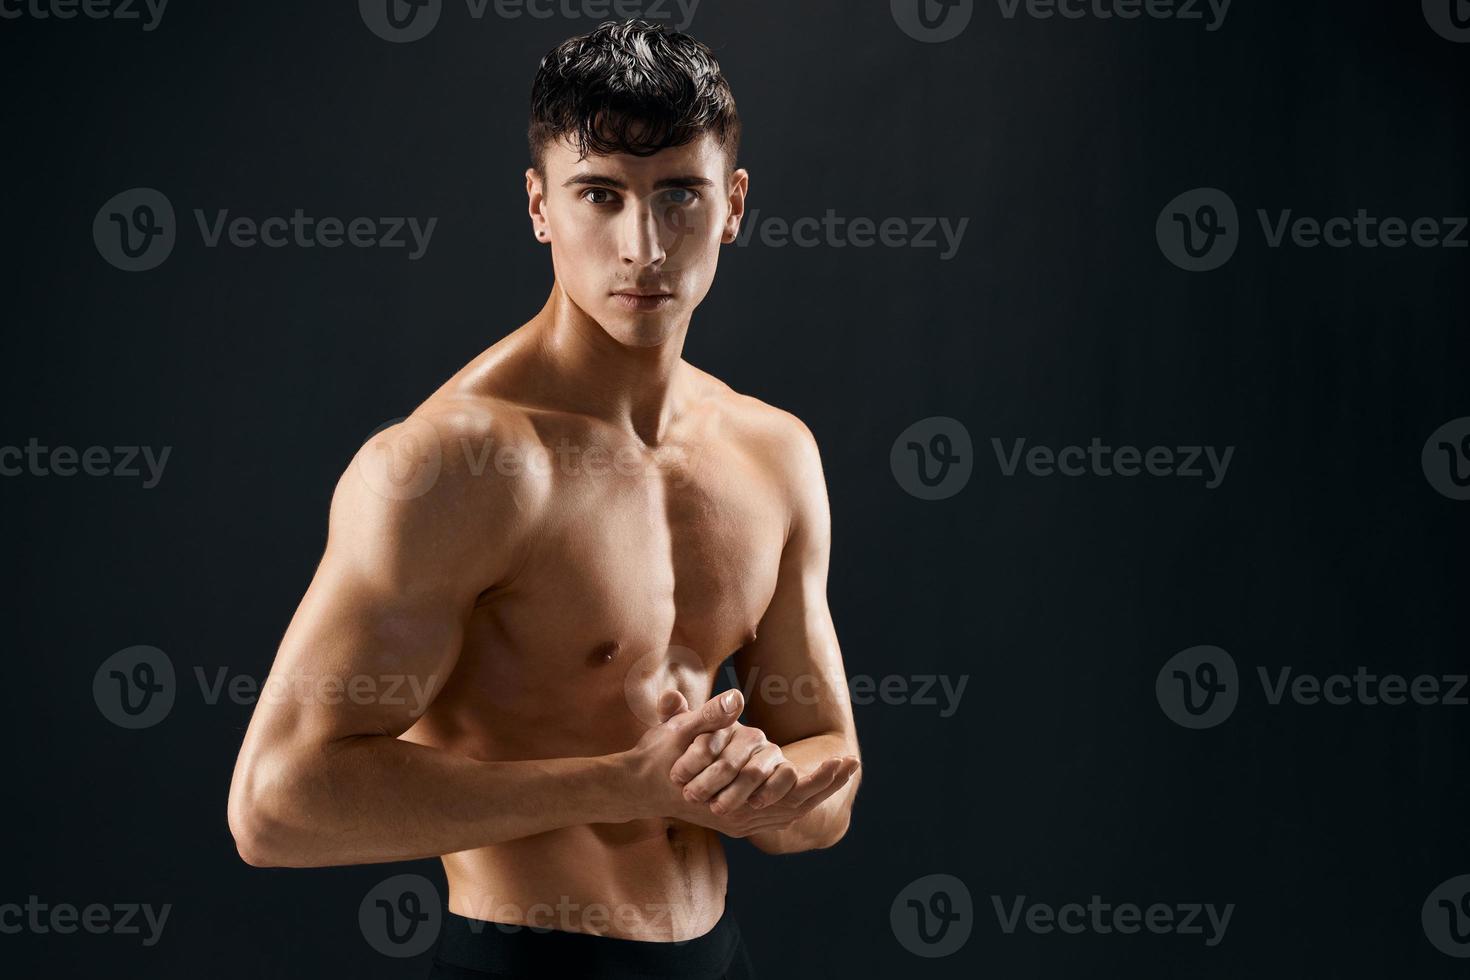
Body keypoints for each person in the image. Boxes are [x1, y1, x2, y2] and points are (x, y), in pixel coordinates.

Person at [226, 18, 862, 979]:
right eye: (600, 196)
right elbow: (275, 806)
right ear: (539, 205)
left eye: (678, 195)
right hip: (527, 958)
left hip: (715, 955)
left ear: (732, 204)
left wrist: (769, 791)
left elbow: (824, 799)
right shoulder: (456, 467)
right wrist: (620, 784)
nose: (643, 245)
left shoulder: (774, 454)